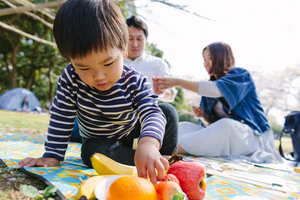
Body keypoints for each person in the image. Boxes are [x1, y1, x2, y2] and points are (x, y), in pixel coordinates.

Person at [17, 0, 179, 184]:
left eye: (108, 63)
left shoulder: (134, 80)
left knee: (167, 112)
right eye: (83, 67)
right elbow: (61, 116)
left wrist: (149, 144)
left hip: (131, 129)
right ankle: (143, 160)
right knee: (92, 152)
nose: (99, 76)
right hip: (101, 139)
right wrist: (52, 155)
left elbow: (151, 112)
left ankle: (162, 158)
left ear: (124, 50)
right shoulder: (70, 78)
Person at [154, 42, 282, 163]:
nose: (206, 63)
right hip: (229, 139)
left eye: (210, 58)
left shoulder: (241, 75)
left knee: (226, 125)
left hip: (254, 138)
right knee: (184, 126)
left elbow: (217, 90)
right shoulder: (208, 90)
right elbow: (210, 127)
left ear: (223, 58)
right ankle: (157, 143)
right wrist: (204, 116)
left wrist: (177, 82)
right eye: (204, 59)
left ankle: (169, 149)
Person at [124, 16, 177, 103]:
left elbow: (170, 95)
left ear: (146, 39)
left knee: (168, 109)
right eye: (130, 39)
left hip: (147, 112)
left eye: (139, 39)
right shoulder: (112, 62)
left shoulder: (158, 64)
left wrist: (162, 92)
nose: (135, 44)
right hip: (118, 112)